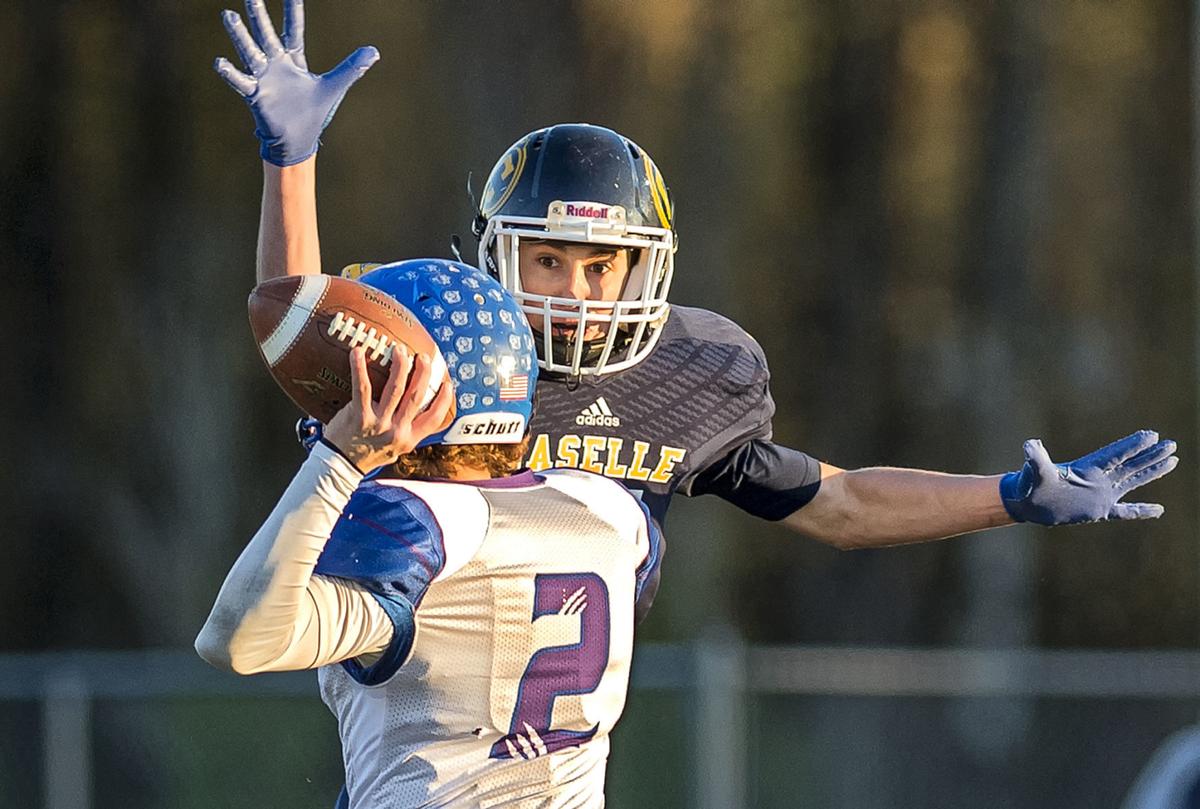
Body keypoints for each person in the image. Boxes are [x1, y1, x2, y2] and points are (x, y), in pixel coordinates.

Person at [214, 0, 1178, 546]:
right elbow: (298, 328)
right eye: (545, 256)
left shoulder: (696, 373)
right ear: (496, 255)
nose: (572, 289)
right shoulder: (451, 351)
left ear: (649, 271)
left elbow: (836, 500)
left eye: (601, 265)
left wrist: (1008, 495)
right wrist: (288, 165)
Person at [196, 259, 664, 808]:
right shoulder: (610, 509)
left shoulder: (417, 527)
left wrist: (341, 461)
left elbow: (236, 641)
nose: (339, 407)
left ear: (410, 395)